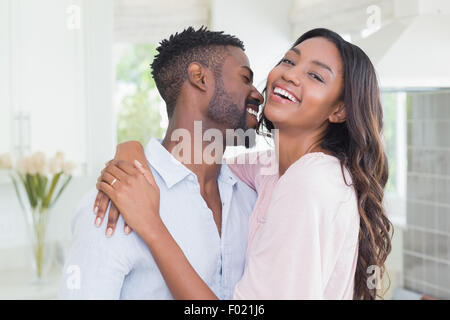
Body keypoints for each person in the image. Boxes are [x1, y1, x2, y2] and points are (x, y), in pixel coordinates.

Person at [95, 28, 393, 300]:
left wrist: (151, 226)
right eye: (289, 61)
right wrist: (130, 152)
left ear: (339, 110)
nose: (290, 75)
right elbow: (203, 161)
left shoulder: (310, 182)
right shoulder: (273, 169)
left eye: (316, 76)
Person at [59, 26, 264, 299]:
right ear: (200, 77)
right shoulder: (113, 204)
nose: (258, 94)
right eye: (245, 78)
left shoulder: (252, 198)